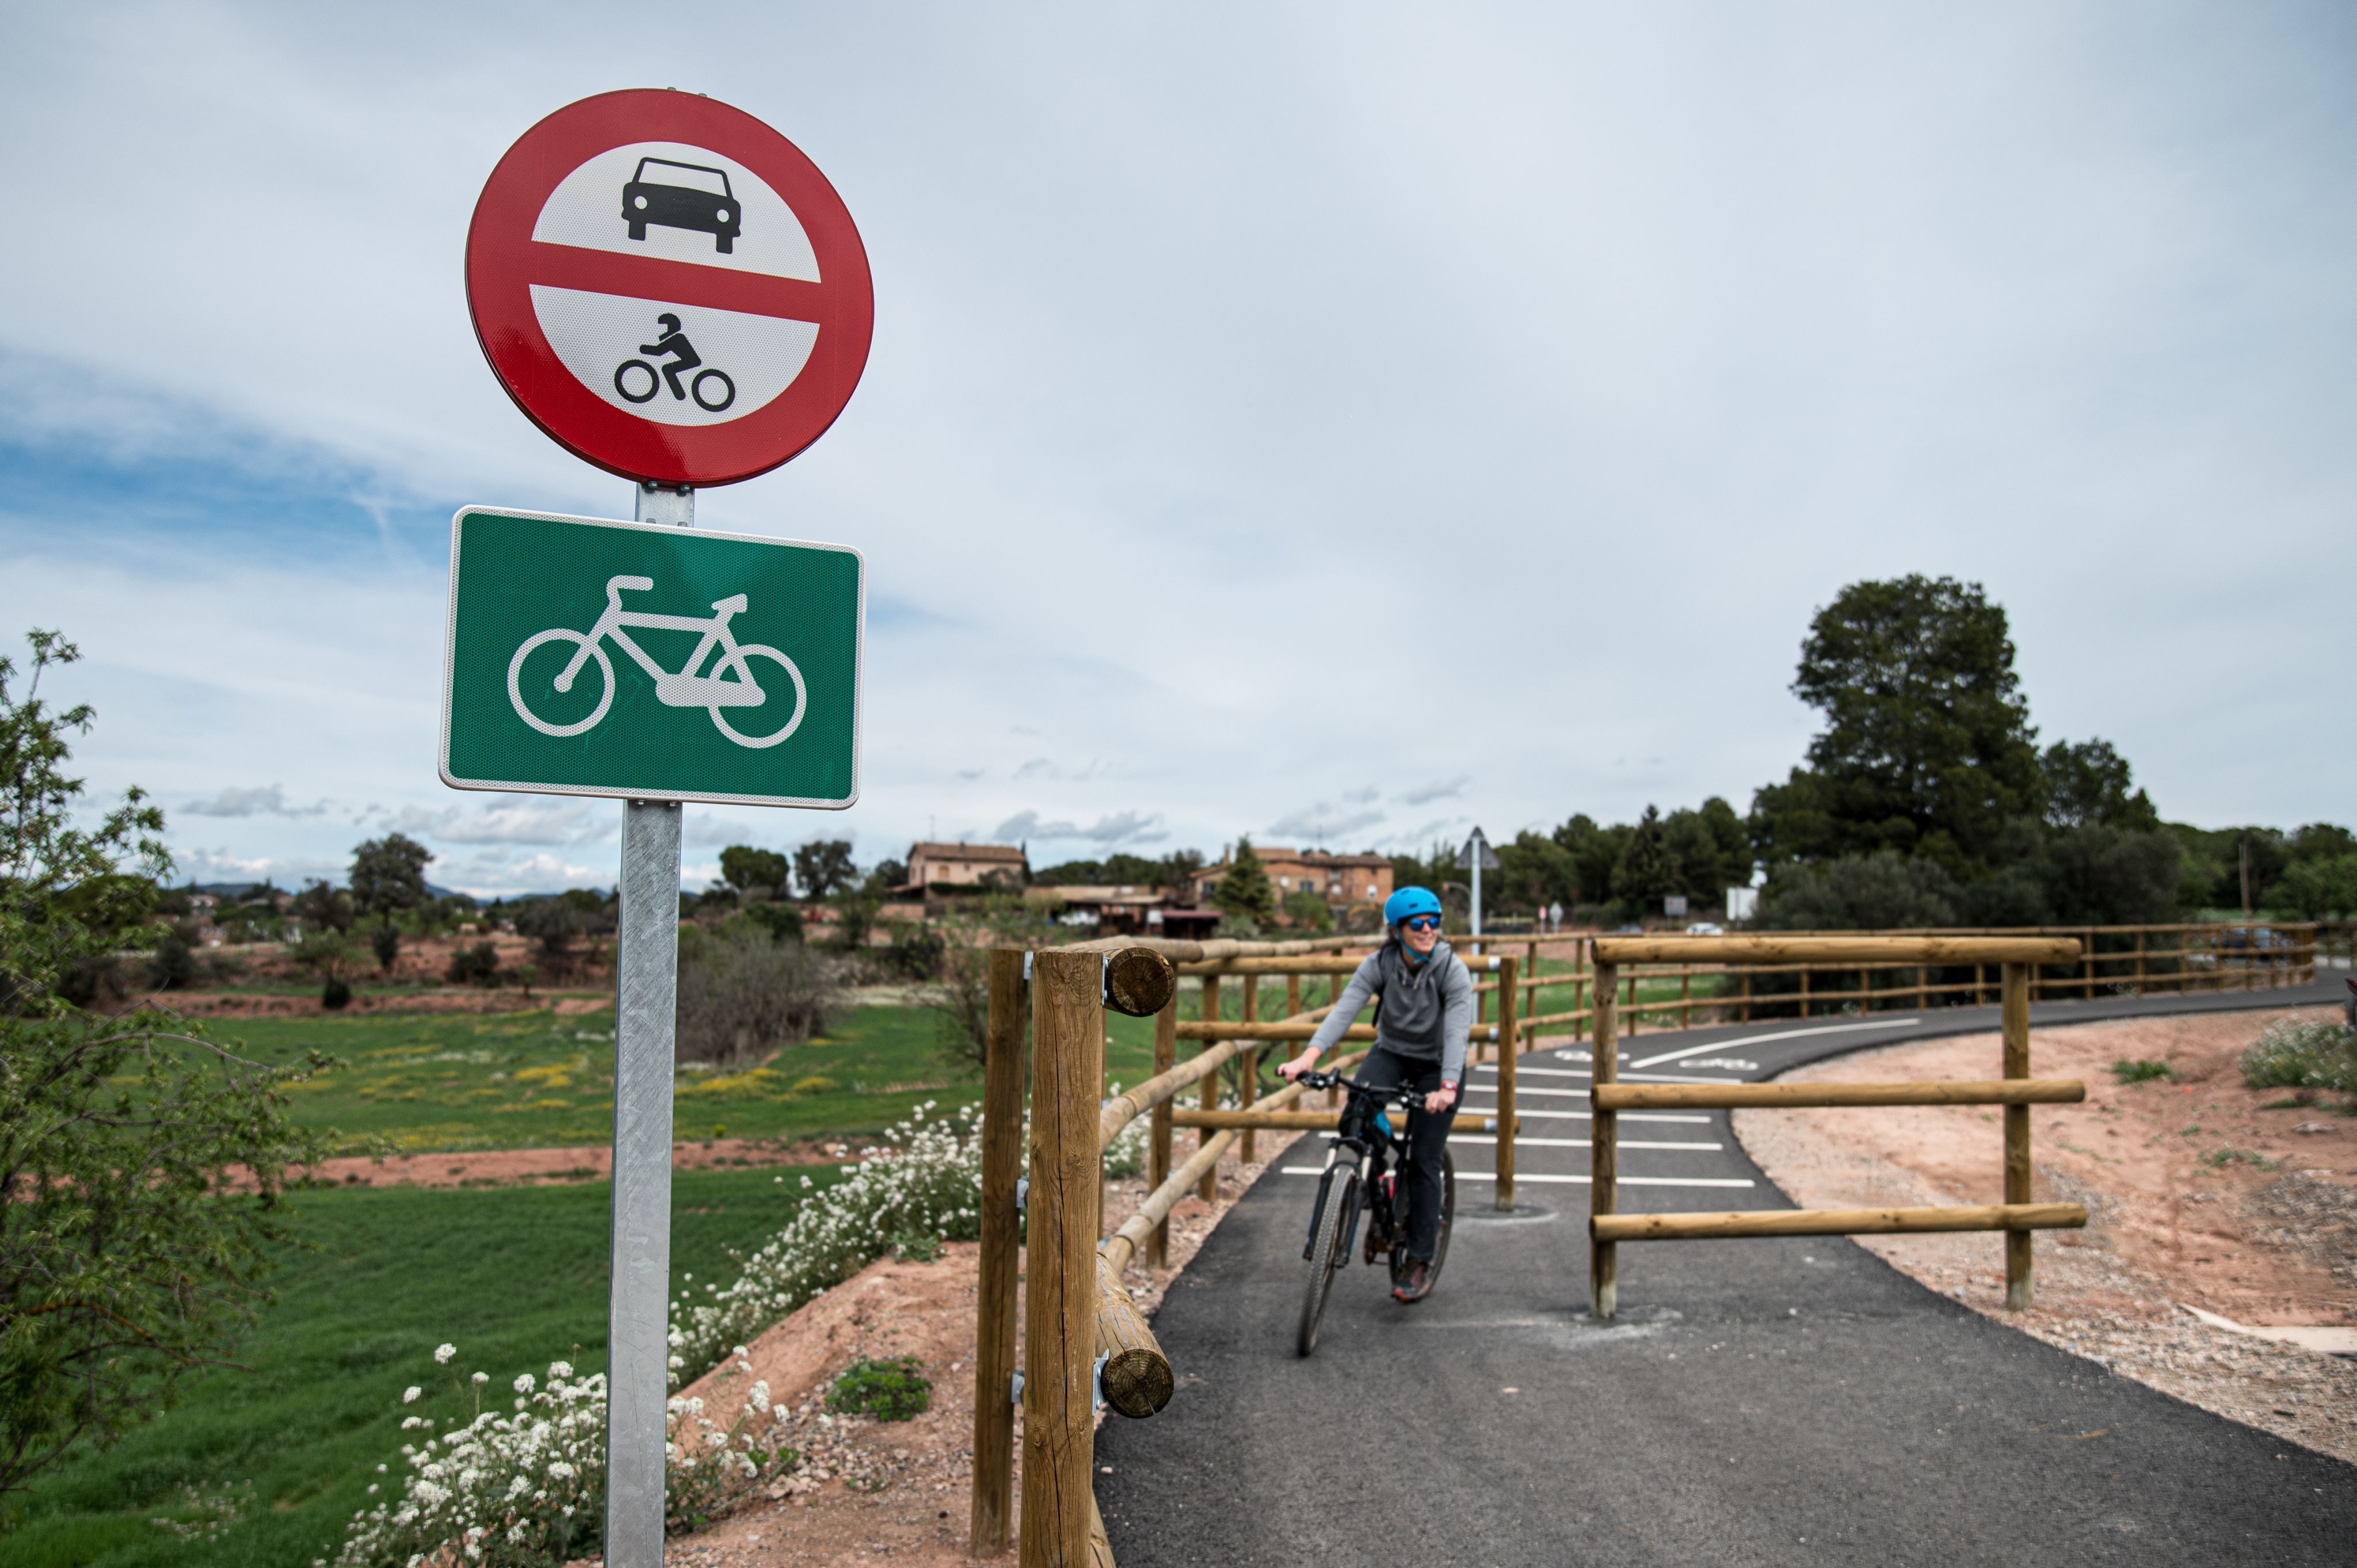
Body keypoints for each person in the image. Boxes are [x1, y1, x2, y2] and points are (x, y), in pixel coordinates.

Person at [1277, 886, 1471, 1303]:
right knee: (1357, 1114)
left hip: (1438, 1066)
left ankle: (1418, 1259)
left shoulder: (1451, 969)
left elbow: (1457, 1032)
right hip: (1392, 1054)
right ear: (1397, 931)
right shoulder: (1380, 963)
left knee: (1423, 1160)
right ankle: (1374, 1179)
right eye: (1417, 924)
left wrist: (1448, 1086)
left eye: (1434, 922)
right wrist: (1307, 1058)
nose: (1428, 930)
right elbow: (1345, 1010)